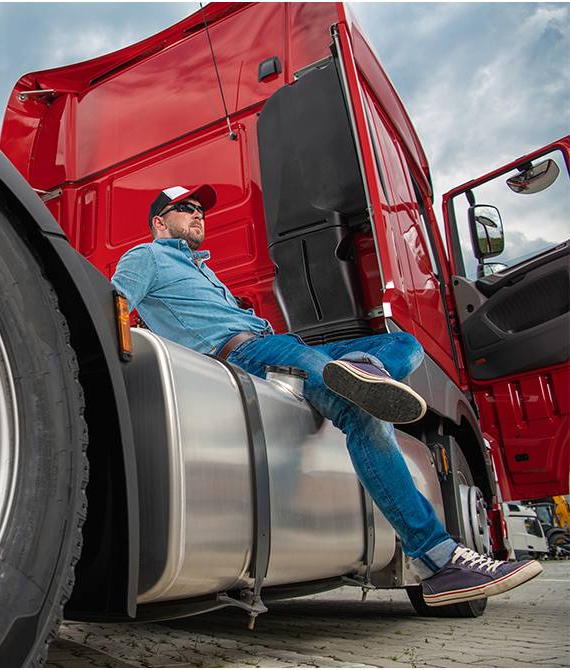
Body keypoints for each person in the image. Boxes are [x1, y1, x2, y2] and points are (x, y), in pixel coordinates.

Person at [111, 184, 542, 606]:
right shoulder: (146, 257)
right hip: (247, 353)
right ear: (159, 222)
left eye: (199, 208)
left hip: (284, 344)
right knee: (361, 411)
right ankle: (440, 561)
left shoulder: (205, 269)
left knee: (404, 348)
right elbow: (113, 303)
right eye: (185, 208)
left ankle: (366, 375)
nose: (198, 214)